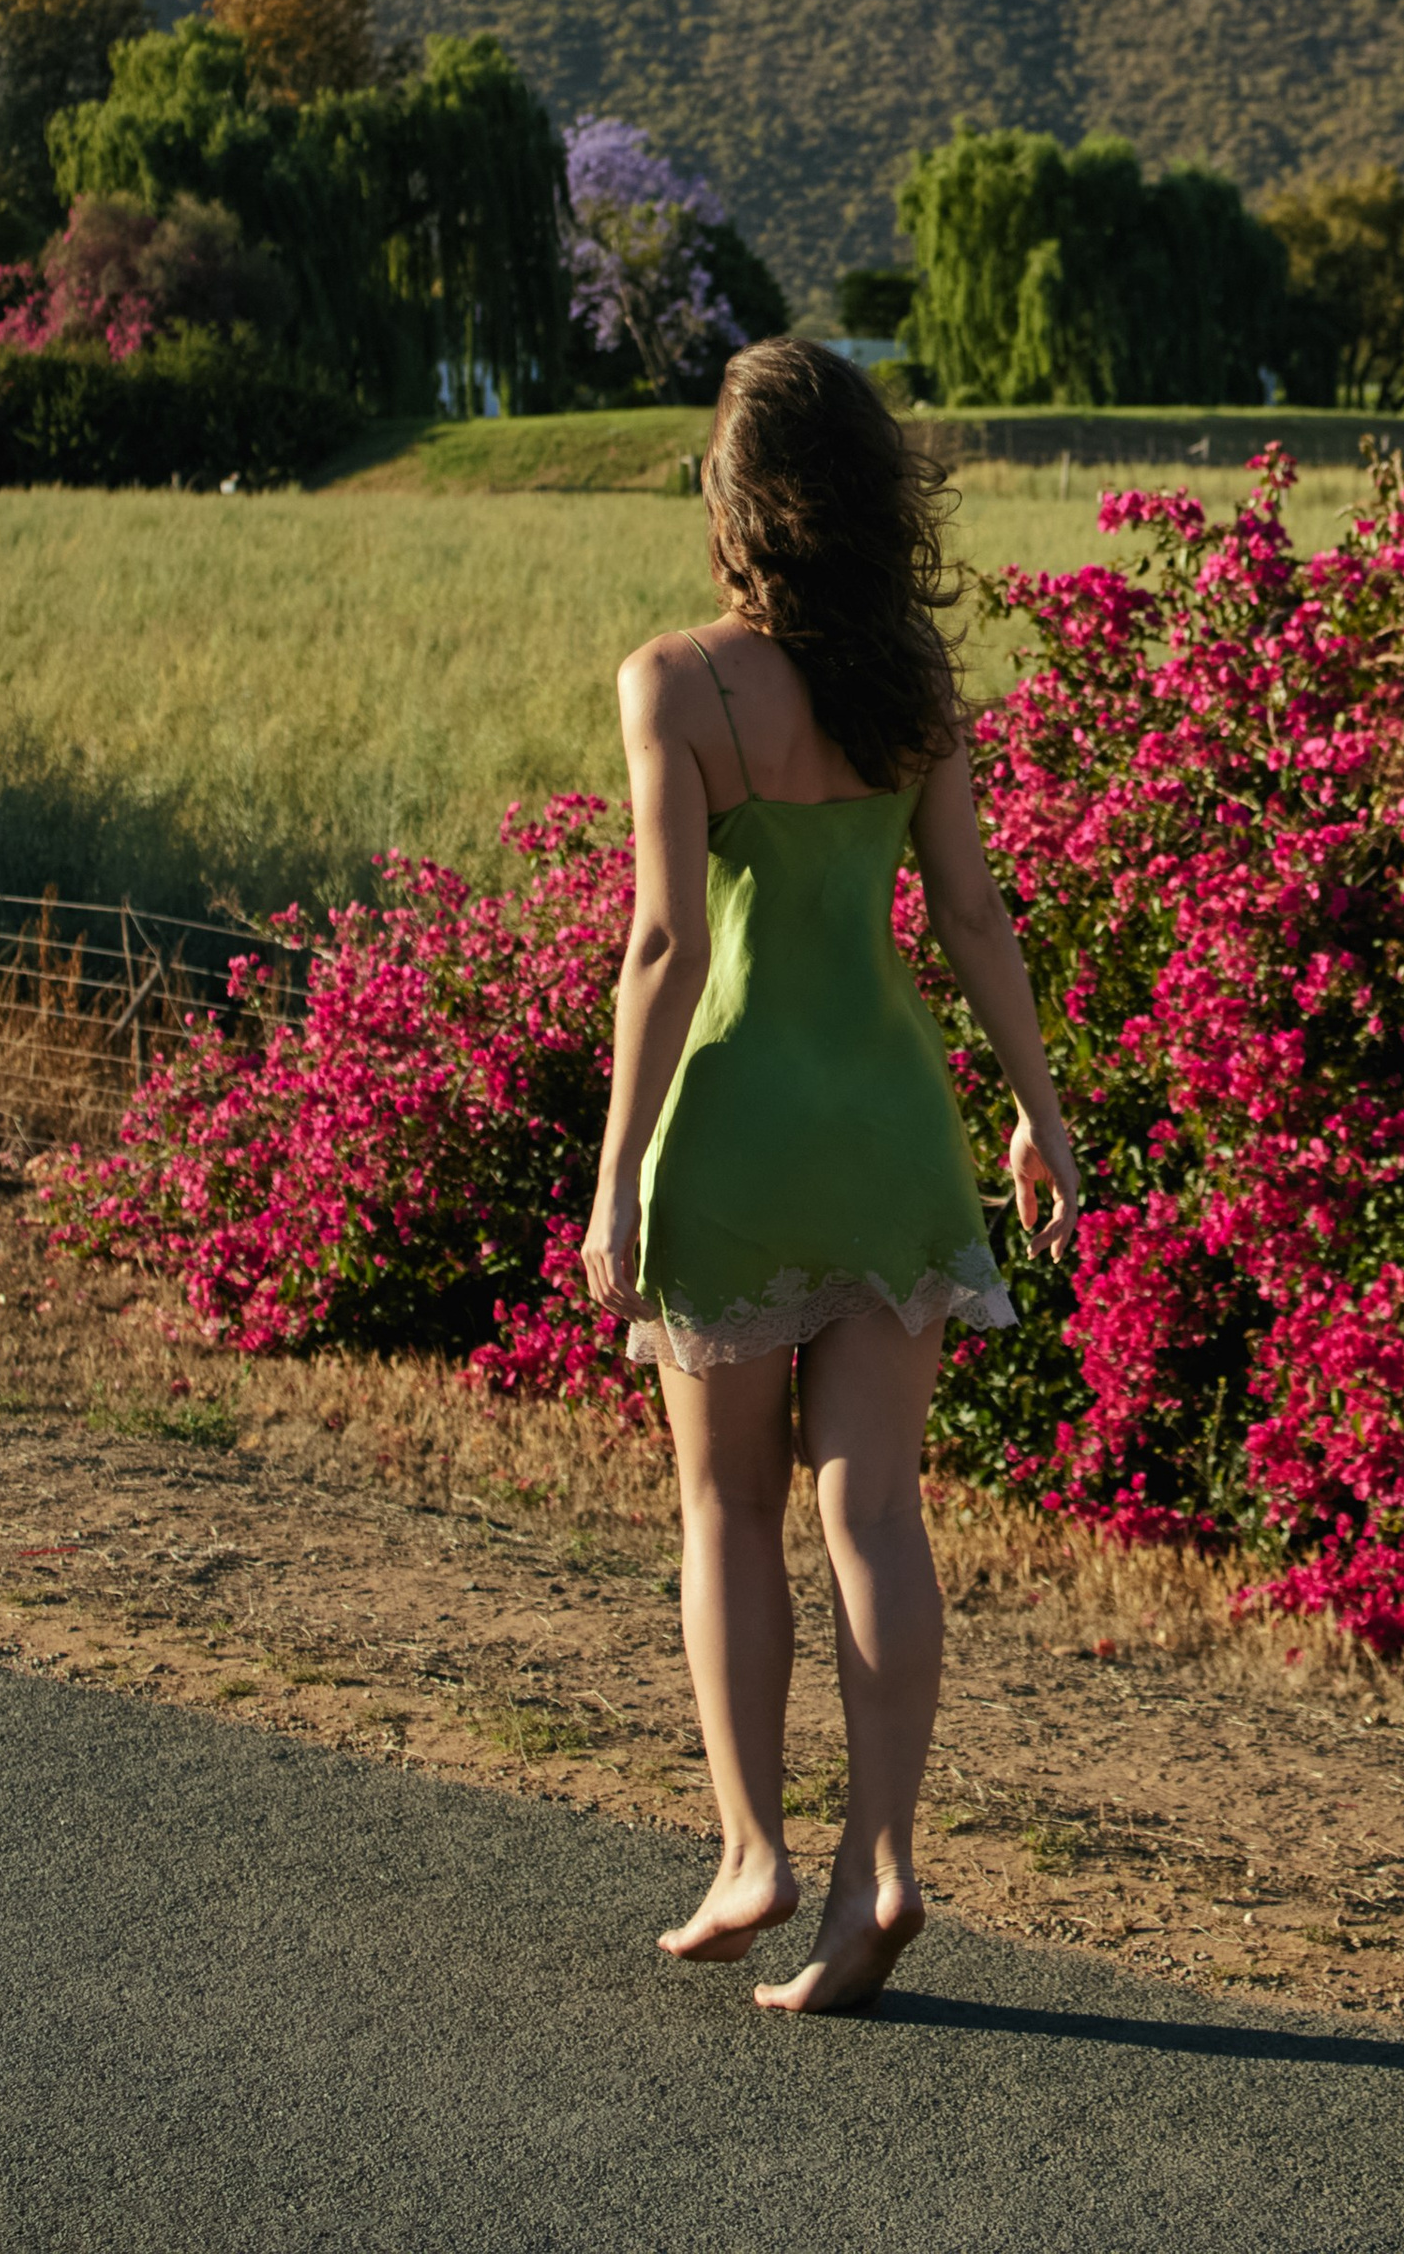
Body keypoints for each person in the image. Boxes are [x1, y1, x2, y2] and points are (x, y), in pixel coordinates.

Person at [581, 336, 1080, 2015]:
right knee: (874, 1508)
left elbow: (661, 946)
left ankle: (752, 1853)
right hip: (890, 1127)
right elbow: (972, 912)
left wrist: (615, 1181)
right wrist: (1040, 1111)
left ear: (732, 501)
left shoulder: (678, 685)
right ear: (871, 494)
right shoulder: (914, 679)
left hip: (733, 1135)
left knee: (726, 1505)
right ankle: (879, 1867)